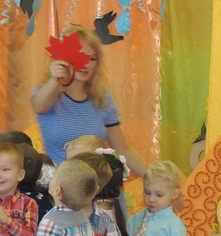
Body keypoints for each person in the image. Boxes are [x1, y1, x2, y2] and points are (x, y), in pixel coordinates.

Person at [31, 25, 148, 178]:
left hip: (96, 184)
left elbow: (122, 150)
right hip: (59, 184)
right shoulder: (48, 92)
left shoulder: (102, 98)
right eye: (79, 55)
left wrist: (153, 176)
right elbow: (38, 107)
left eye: (92, 58)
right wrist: (55, 79)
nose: (86, 63)